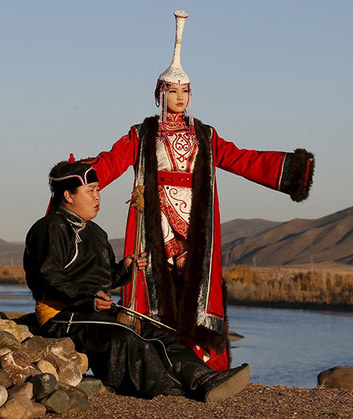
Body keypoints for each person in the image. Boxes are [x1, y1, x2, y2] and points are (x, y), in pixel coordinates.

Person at [79, 10, 315, 371]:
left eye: (185, 90)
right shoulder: (142, 134)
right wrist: (78, 176)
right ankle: (150, 364)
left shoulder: (204, 135)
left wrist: (291, 171)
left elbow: (242, 159)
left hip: (196, 220)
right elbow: (110, 162)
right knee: (157, 286)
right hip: (155, 219)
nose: (180, 96)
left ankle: (199, 364)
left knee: (194, 288)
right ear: (159, 94)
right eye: (173, 90)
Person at [23, 160, 250, 401]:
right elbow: (49, 277)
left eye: (98, 189)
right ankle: (170, 392)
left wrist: (124, 269)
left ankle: (203, 378)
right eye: (90, 191)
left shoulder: (97, 233)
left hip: (93, 311)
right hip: (62, 316)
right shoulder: (48, 228)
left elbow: (104, 280)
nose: (97, 197)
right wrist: (87, 299)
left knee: (158, 331)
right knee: (125, 337)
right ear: (68, 195)